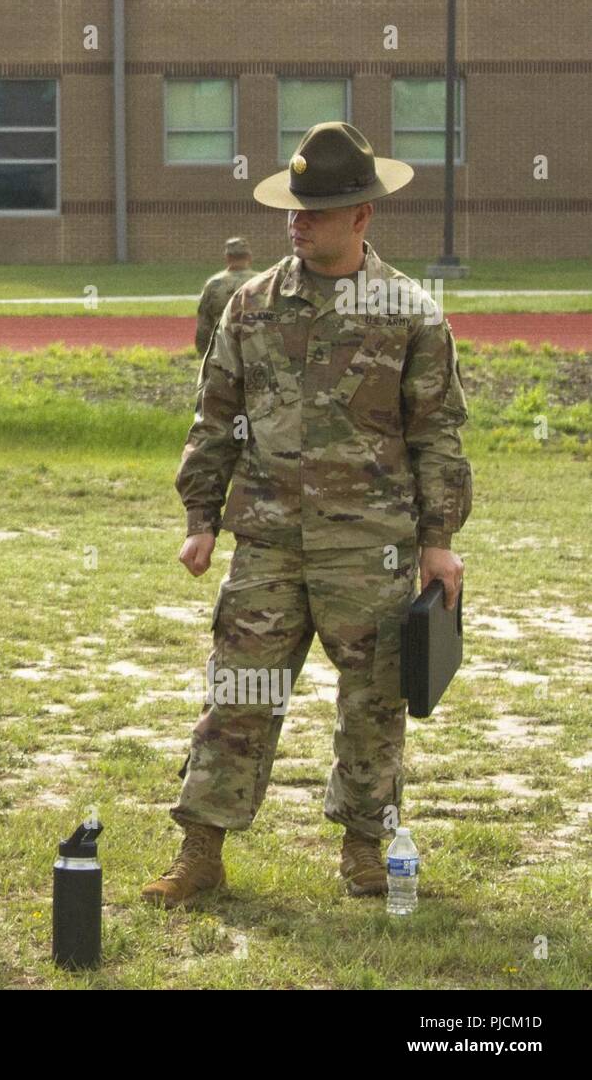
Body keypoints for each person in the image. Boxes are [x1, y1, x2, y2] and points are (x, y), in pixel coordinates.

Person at [143, 121, 472, 907]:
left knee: (374, 700)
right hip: (268, 540)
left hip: (372, 548)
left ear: (361, 215)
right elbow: (214, 418)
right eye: (293, 208)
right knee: (238, 692)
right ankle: (201, 853)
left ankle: (364, 847)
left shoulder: (410, 313)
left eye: (316, 210)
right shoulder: (249, 307)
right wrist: (200, 517)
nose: (298, 221)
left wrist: (439, 542)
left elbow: (437, 433)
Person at [194, 237, 257, 356]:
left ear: (227, 257)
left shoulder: (213, 284)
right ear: (249, 257)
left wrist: (203, 353)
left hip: (222, 350)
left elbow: (204, 324)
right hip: (255, 351)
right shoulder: (262, 281)